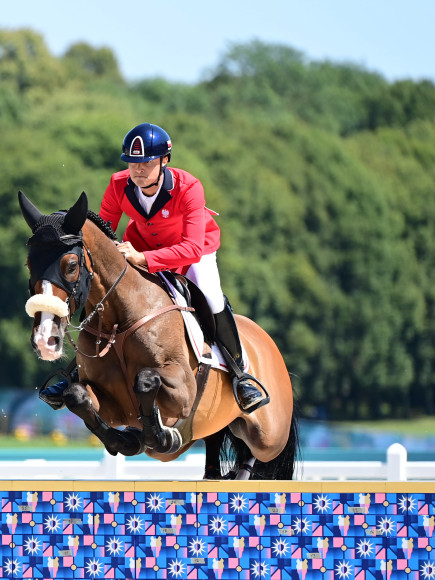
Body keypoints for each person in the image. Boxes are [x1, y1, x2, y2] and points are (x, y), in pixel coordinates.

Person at [39, 122, 269, 413]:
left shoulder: (188, 187)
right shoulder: (118, 184)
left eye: (146, 163)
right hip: (140, 248)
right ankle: (75, 372)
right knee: (105, 296)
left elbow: (193, 247)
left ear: (164, 160)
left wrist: (144, 260)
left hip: (192, 253)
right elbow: (104, 233)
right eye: (133, 163)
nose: (138, 170)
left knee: (210, 296)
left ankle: (240, 376)